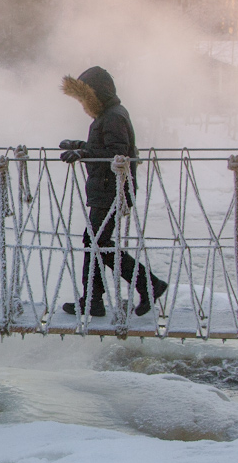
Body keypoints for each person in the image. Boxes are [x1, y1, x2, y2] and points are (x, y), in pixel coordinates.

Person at [58, 66, 168, 317]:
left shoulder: (114, 116)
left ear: (99, 94)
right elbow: (104, 146)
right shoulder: (107, 116)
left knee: (96, 242)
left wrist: (83, 153)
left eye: (85, 98)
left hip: (113, 190)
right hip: (106, 189)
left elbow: (118, 153)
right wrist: (79, 146)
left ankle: (144, 285)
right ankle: (96, 299)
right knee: (96, 242)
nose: (83, 104)